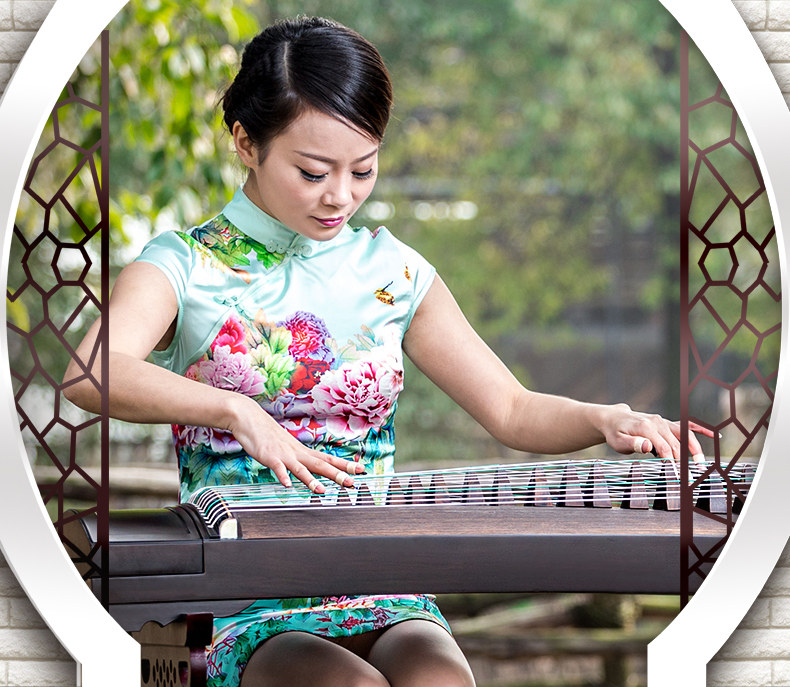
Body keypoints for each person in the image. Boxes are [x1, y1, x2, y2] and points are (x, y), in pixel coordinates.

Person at [63, 16, 708, 687]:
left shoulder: (392, 271)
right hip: (240, 588)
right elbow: (90, 372)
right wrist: (234, 410)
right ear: (246, 143)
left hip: (375, 579)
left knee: (440, 680)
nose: (340, 195)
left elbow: (512, 410)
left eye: (363, 169)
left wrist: (604, 417)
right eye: (313, 172)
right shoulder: (185, 264)